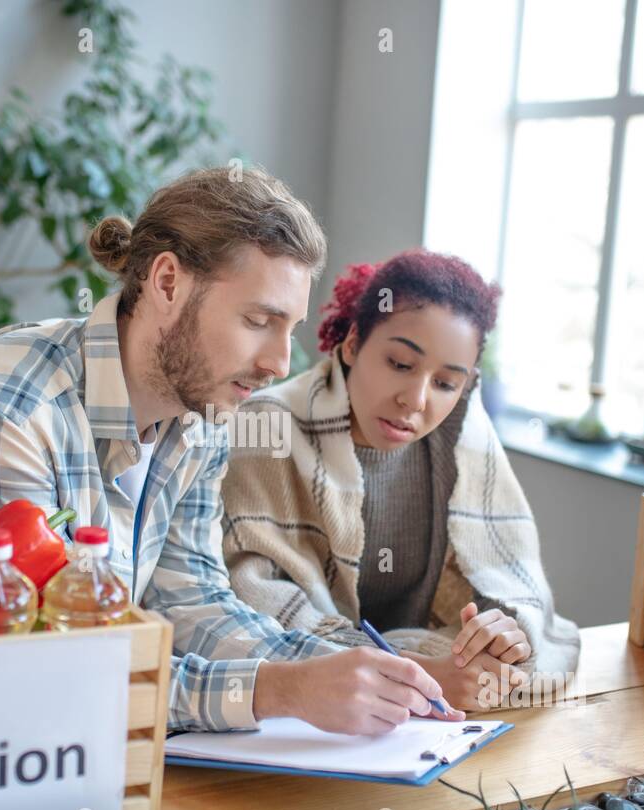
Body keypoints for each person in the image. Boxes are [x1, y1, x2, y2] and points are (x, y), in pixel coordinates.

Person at [0, 167, 464, 735]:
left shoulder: (202, 410)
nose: (279, 363)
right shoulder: (10, 414)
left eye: (289, 329)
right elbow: (53, 669)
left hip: (80, 744)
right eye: (259, 320)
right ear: (166, 283)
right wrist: (283, 691)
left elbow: (190, 598)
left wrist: (350, 673)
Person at [220, 250, 581, 710]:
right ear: (352, 344)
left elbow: (518, 588)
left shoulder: (463, 439)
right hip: (300, 713)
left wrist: (503, 635)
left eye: (446, 383)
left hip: (429, 727)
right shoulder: (266, 427)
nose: (415, 399)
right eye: (400, 364)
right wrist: (414, 672)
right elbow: (246, 601)